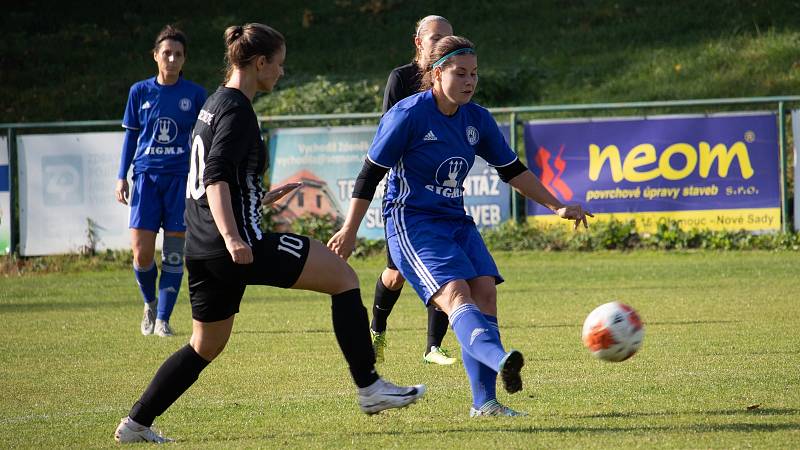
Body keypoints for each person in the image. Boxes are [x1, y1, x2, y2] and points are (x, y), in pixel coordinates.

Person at [114, 23, 425, 444]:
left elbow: (216, 181)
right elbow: (215, 178)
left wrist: (257, 196)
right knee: (343, 277)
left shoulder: (212, 103)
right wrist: (234, 236)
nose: (281, 72)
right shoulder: (238, 110)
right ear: (259, 63)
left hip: (201, 250)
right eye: (278, 64)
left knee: (205, 345)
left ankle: (135, 423)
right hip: (237, 246)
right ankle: (370, 387)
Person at [328, 36, 592, 417]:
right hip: (411, 221)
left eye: (474, 73)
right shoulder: (407, 114)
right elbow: (370, 173)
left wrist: (557, 206)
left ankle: (484, 403)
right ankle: (501, 360)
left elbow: (511, 170)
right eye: (460, 73)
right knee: (455, 294)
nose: (470, 81)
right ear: (436, 74)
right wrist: (351, 229)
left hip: (454, 219)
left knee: (485, 290)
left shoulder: (477, 118)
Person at [372, 15, 457, 366]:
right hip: (405, 196)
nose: (441, 44)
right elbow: (388, 133)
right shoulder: (401, 79)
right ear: (418, 42)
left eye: (448, 38)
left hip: (444, 192)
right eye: (435, 37)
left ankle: (433, 346)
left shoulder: (455, 78)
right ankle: (376, 329)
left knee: (446, 270)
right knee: (395, 276)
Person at [115, 25, 207, 337]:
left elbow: (204, 142)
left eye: (177, 54)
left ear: (184, 59)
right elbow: (130, 138)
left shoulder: (195, 95)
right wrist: (121, 177)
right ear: (155, 56)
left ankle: (164, 319)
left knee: (173, 253)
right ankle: (150, 303)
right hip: (145, 179)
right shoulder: (139, 92)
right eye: (166, 53)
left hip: (182, 180)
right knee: (141, 254)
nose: (171, 58)